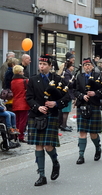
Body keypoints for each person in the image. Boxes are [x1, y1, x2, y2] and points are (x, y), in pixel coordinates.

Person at [26, 55, 70, 186]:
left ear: (50, 66)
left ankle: (55, 162)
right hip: (36, 115)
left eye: (44, 64)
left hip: (51, 115)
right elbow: (29, 98)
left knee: (48, 146)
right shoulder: (33, 80)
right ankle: (41, 175)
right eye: (40, 64)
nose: (41, 66)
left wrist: (56, 103)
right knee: (38, 145)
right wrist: (37, 107)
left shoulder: (57, 79)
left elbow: (67, 97)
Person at [73, 58, 102, 165]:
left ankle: (98, 148)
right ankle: (81, 155)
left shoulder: (97, 76)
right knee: (82, 132)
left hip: (93, 106)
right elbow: (75, 90)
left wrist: (95, 93)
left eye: (89, 64)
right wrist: (82, 96)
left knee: (93, 133)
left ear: (92, 66)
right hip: (82, 105)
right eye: (85, 65)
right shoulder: (79, 76)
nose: (87, 66)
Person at [11, 65, 30, 143]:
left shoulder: (12, 81)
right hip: (23, 103)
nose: (23, 72)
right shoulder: (24, 81)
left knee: (16, 121)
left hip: (15, 102)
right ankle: (21, 136)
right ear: (19, 72)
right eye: (22, 71)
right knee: (23, 121)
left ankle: (15, 135)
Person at [59, 62, 75, 132]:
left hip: (67, 94)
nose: (73, 68)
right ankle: (63, 125)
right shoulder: (66, 74)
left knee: (66, 111)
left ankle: (64, 124)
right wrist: (74, 81)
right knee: (66, 111)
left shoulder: (66, 73)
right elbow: (69, 84)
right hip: (67, 94)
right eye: (72, 66)